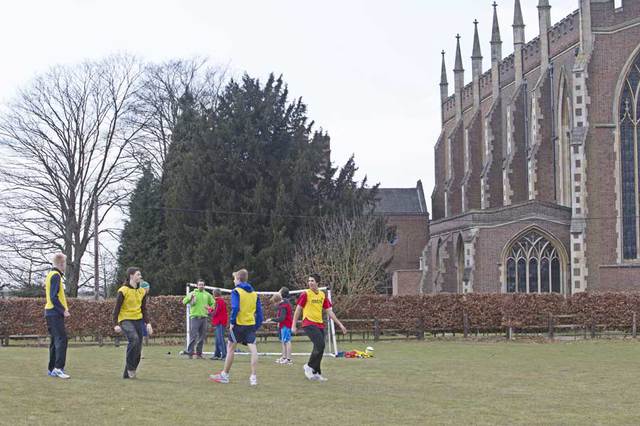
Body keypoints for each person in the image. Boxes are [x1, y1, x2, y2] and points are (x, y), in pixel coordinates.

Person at [209, 269, 263, 386]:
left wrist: (232, 322)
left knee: (230, 348)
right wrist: (256, 326)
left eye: (234, 279)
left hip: (238, 324)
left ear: (238, 279)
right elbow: (260, 313)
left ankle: (225, 375)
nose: (233, 281)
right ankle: (253, 377)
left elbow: (235, 308)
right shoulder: (254, 294)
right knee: (253, 349)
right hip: (250, 325)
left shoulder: (236, 292)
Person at [291, 274, 347, 382]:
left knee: (320, 347)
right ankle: (308, 366)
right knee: (320, 344)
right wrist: (293, 325)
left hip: (319, 324)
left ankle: (316, 372)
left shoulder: (322, 295)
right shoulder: (305, 294)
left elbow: (329, 311)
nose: (310, 283)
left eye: (312, 281)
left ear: (317, 282)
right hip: (308, 323)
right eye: (309, 281)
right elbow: (298, 310)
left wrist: (340, 324)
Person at [113, 267, 153, 379]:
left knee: (138, 347)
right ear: (131, 275)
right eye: (138, 274)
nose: (140, 277)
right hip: (125, 320)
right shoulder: (123, 291)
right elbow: (116, 309)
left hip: (138, 320)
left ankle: (128, 372)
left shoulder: (142, 291)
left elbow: (144, 309)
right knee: (134, 339)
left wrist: (148, 323)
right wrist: (115, 324)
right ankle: (131, 368)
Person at [44, 252, 71, 379]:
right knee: (62, 339)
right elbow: (53, 297)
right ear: (61, 263)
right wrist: (63, 310)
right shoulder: (56, 276)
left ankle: (52, 369)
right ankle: (58, 368)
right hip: (55, 313)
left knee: (55, 340)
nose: (65, 266)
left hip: (50, 312)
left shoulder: (51, 274)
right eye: (64, 263)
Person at [182, 279, 215, 359]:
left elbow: (213, 303)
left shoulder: (207, 295)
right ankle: (190, 353)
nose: (201, 286)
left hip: (204, 318)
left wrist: (210, 308)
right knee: (193, 336)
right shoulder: (192, 293)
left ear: (204, 286)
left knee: (202, 337)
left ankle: (199, 354)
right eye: (199, 285)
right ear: (197, 285)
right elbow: (184, 301)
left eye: (202, 285)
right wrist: (190, 298)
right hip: (195, 317)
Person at [268, 287, 293, 365]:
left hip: (286, 325)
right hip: (283, 325)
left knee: (287, 341)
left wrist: (272, 319)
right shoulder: (283, 303)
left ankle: (288, 359)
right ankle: (284, 357)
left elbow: (282, 318)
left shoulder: (284, 305)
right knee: (283, 341)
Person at [208, 289, 228, 360]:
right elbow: (217, 311)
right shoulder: (219, 301)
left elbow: (215, 313)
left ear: (214, 294)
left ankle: (224, 355)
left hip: (220, 322)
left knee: (220, 339)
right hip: (219, 322)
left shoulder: (219, 301)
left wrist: (209, 310)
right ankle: (217, 354)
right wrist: (211, 309)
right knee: (217, 339)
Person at [140, 281, 151, 359]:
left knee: (141, 336)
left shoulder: (144, 296)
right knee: (138, 337)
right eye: (148, 288)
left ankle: (140, 353)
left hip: (141, 318)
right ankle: (138, 353)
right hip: (137, 318)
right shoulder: (139, 295)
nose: (149, 289)